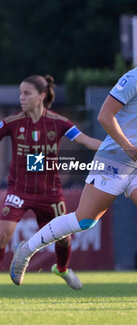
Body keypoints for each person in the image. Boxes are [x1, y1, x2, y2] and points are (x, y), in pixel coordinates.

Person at [10, 10, 137, 297]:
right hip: (115, 159)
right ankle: (26, 249)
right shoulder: (133, 80)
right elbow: (105, 116)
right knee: (84, 220)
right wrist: (127, 144)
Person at [0, 74, 101, 289]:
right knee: (3, 234)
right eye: (20, 93)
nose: (21, 98)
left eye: (27, 93)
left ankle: (62, 269)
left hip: (50, 192)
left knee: (64, 239)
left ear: (41, 96)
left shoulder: (59, 123)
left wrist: (119, 147)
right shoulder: (12, 122)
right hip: (19, 190)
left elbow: (86, 141)